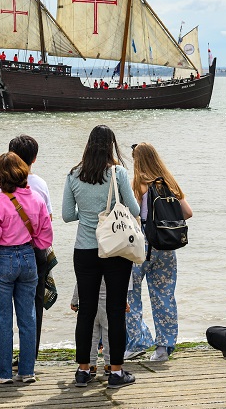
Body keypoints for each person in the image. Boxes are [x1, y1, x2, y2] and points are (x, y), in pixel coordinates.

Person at [63, 125, 140, 389]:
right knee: (116, 311)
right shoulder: (117, 173)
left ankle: (83, 370)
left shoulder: (73, 174)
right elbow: (134, 208)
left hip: (84, 249)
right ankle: (116, 373)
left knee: (86, 310)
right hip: (115, 249)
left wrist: (88, 215)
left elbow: (66, 214)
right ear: (111, 146)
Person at [0, 136, 54, 378]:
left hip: (3, 259)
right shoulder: (36, 198)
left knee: (2, 317)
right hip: (29, 257)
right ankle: (27, 371)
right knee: (28, 316)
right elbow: (46, 236)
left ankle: (4, 372)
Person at [125, 143, 193, 362]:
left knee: (130, 294)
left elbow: (132, 213)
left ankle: (139, 341)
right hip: (166, 247)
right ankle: (164, 347)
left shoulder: (138, 184)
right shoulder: (169, 183)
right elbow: (188, 213)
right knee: (164, 296)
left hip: (142, 246)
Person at [71, 280, 109, 379]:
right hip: (107, 304)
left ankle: (92, 365)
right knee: (108, 336)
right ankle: (109, 364)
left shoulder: (88, 267)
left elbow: (79, 283)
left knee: (92, 337)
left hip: (90, 304)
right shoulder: (110, 265)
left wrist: (74, 301)